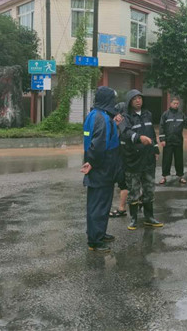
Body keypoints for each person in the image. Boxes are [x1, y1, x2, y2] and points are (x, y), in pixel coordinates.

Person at [80, 86, 122, 253]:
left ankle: (99, 233)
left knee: (101, 203)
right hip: (102, 168)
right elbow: (98, 145)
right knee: (98, 205)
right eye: (112, 99)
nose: (114, 103)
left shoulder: (94, 115)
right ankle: (95, 241)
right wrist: (92, 162)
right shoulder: (102, 118)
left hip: (100, 168)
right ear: (107, 100)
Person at [120, 89, 164, 231]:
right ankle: (133, 219)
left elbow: (151, 133)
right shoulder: (125, 117)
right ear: (129, 101)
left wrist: (155, 149)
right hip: (133, 160)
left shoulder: (147, 114)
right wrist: (139, 138)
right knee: (133, 191)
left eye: (140, 98)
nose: (138, 100)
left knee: (149, 189)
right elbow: (125, 133)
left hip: (148, 159)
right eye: (135, 99)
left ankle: (149, 217)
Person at [159, 97, 187, 185]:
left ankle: (181, 176)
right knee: (166, 160)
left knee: (179, 160)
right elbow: (161, 127)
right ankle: (164, 177)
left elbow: (186, 124)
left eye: (177, 103)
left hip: (178, 140)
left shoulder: (181, 114)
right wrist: (162, 139)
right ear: (170, 104)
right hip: (168, 141)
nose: (176, 105)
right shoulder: (165, 114)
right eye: (174, 103)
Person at [109, 101, 129, 218]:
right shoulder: (118, 123)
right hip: (122, 155)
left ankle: (122, 208)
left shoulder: (124, 122)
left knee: (123, 183)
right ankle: (141, 199)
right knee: (129, 182)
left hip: (125, 157)